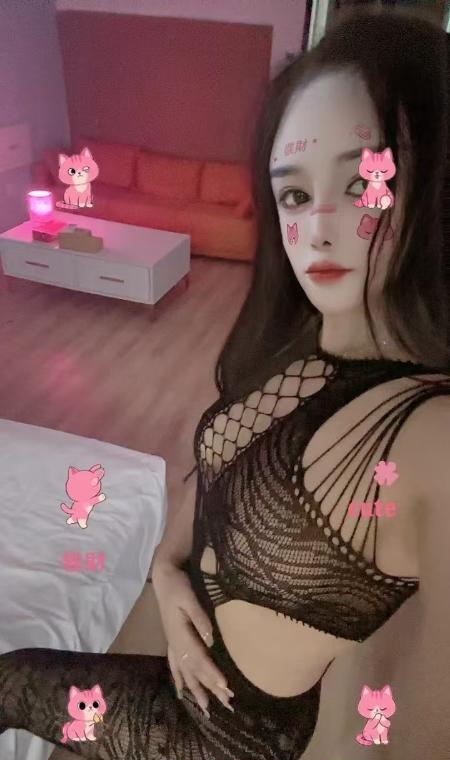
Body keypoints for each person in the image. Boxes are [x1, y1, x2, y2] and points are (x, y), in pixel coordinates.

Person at [1, 7, 450, 760]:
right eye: (295, 195)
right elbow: (214, 470)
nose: (319, 229)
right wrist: (166, 575)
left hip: (227, 737)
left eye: (364, 184)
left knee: (10, 680)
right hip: (185, 673)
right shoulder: (288, 350)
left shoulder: (430, 434)